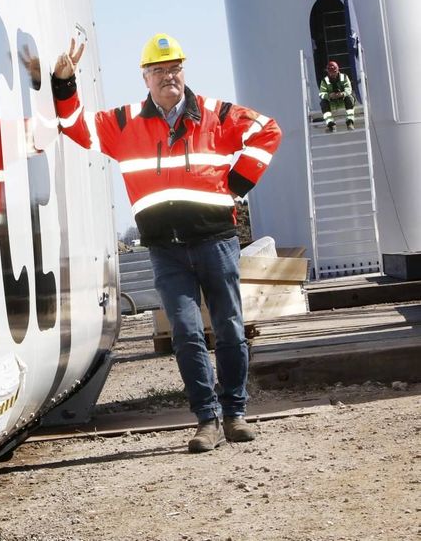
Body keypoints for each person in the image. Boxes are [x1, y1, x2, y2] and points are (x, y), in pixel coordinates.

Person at [51, 33, 283, 453]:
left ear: (183, 71)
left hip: (216, 242)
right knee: (186, 333)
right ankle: (206, 420)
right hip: (166, 250)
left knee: (229, 328)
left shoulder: (216, 114)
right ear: (145, 78)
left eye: (174, 68)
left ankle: (235, 413)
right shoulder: (124, 124)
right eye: (158, 71)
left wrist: (237, 184)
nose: (167, 77)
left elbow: (268, 130)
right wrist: (65, 84)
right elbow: (76, 128)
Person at [319, 60, 357, 132]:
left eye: (334, 72)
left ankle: (350, 122)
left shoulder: (344, 77)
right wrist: (329, 96)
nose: (333, 74)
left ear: (337, 70)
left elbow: (349, 90)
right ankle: (331, 124)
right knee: (323, 102)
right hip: (331, 102)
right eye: (331, 73)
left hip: (343, 100)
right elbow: (321, 94)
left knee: (350, 98)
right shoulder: (324, 81)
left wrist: (342, 94)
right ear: (328, 72)